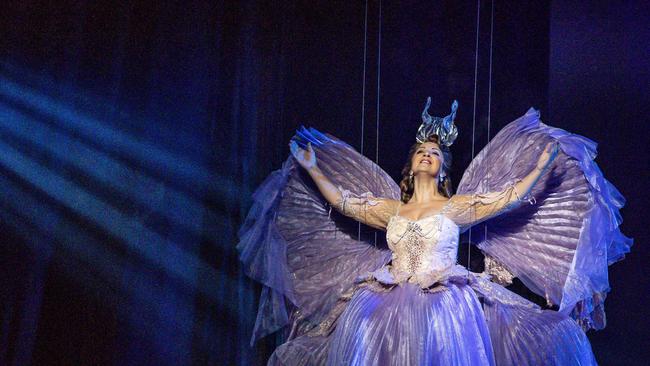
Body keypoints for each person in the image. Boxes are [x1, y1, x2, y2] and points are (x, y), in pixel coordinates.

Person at [238, 98, 632, 365]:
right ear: (411, 165)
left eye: (436, 152)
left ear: (441, 167)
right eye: (422, 151)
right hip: (383, 298)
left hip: (444, 302)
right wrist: (313, 167)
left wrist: (541, 168)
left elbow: (508, 198)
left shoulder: (456, 208)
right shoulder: (392, 209)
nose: (428, 153)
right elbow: (344, 202)